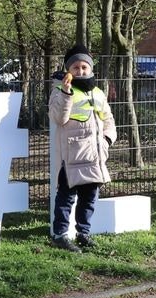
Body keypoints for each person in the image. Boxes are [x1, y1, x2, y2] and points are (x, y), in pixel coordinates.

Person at [49, 45, 116, 252]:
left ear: (91, 68)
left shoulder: (97, 92)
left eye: (84, 67)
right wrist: (66, 92)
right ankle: (59, 235)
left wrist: (107, 140)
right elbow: (59, 118)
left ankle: (83, 233)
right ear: (68, 69)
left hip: (95, 156)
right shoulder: (59, 90)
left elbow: (109, 119)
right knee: (66, 198)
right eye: (76, 67)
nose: (80, 71)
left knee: (89, 198)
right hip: (71, 158)